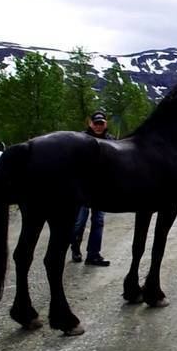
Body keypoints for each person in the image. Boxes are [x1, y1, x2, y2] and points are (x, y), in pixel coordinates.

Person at [70, 111, 115, 266]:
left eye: (101, 123)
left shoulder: (111, 141)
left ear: (105, 124)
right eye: (96, 123)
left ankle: (93, 255)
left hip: (101, 189)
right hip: (83, 188)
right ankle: (75, 247)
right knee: (79, 222)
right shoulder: (82, 139)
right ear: (90, 123)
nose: (98, 126)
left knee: (98, 221)